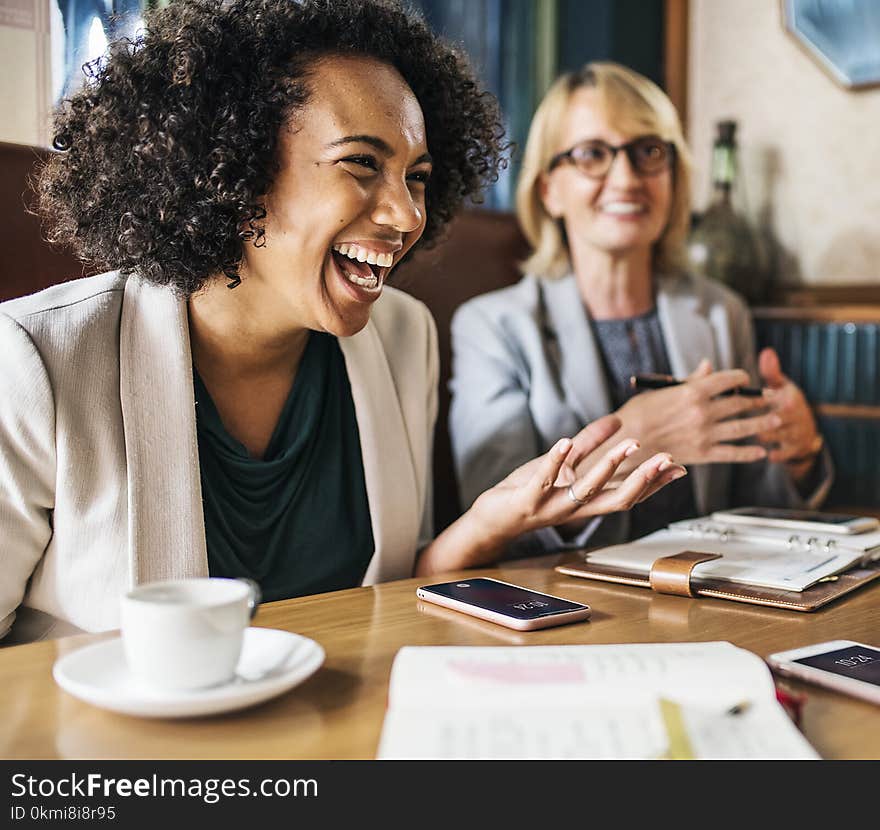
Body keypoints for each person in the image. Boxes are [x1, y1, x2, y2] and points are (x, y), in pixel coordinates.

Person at [0, 3, 683, 643]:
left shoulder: (403, 337)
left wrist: (485, 524)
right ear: (233, 171)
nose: (408, 214)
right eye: (361, 163)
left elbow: (383, 592)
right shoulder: (37, 360)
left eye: (417, 177)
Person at [449, 61, 831, 556]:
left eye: (648, 151)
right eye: (592, 154)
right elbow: (495, 520)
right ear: (549, 190)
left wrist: (800, 455)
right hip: (567, 609)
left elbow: (754, 506)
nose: (626, 177)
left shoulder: (721, 313)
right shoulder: (492, 327)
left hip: (707, 595)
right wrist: (635, 440)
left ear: (673, 177)